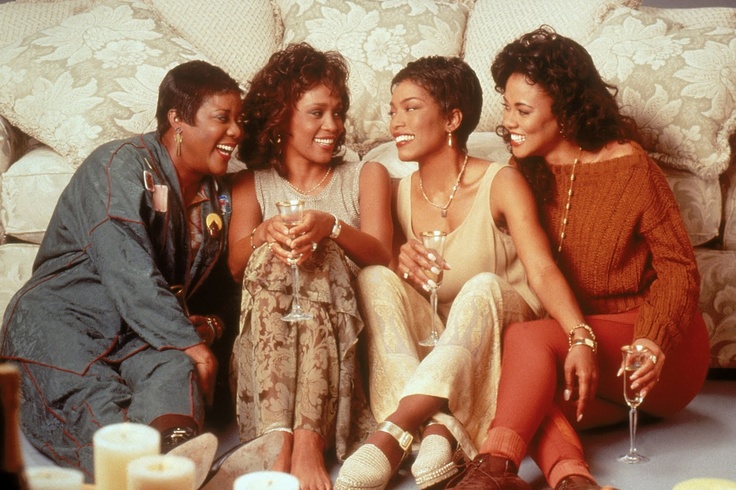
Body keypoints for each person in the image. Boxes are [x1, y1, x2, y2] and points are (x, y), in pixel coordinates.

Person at [451, 27, 710, 490]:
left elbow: (679, 269)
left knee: (525, 339)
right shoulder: (523, 171)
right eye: (506, 106)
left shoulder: (629, 166)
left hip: (655, 350)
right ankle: (573, 480)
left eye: (523, 110)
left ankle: (492, 469)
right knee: (520, 400)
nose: (507, 121)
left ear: (566, 113)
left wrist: (653, 341)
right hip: (582, 351)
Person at [335, 56, 591, 490]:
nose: (396, 122)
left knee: (482, 286)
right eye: (393, 110)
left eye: (411, 108)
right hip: (441, 346)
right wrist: (399, 262)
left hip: (502, 341)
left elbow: (542, 269)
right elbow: (396, 290)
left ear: (452, 119)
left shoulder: (502, 182)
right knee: (373, 278)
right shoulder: (398, 193)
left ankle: (395, 429)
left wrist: (579, 335)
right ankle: (441, 428)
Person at [0, 60, 243, 481]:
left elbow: (228, 285)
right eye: (223, 118)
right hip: (63, 321)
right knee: (93, 399)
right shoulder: (117, 165)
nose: (236, 132)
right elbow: (127, 268)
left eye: (239, 120)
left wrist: (210, 329)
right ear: (177, 120)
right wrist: (189, 341)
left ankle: (175, 456)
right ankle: (149, 473)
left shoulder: (218, 198)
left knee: (174, 370)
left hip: (138, 334)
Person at [225, 42, 392, 490]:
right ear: (281, 119)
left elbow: (383, 256)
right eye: (317, 113)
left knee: (321, 251)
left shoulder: (364, 175)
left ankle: (307, 442)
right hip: (268, 352)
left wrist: (331, 227)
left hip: (340, 346)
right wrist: (264, 234)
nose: (332, 126)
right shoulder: (251, 183)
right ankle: (279, 438)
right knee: (272, 252)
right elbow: (236, 268)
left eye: (338, 113)